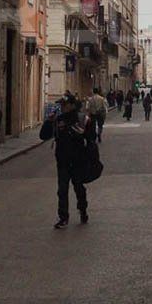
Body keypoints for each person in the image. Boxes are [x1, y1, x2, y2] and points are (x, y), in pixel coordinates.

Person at [42, 94, 94, 229]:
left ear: (72, 105)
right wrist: (48, 122)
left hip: (78, 161)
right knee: (62, 190)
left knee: (79, 188)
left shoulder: (82, 119)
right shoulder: (58, 120)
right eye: (61, 105)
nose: (62, 107)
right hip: (63, 162)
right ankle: (63, 217)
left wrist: (91, 159)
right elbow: (44, 136)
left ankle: (83, 210)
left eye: (64, 104)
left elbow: (91, 140)